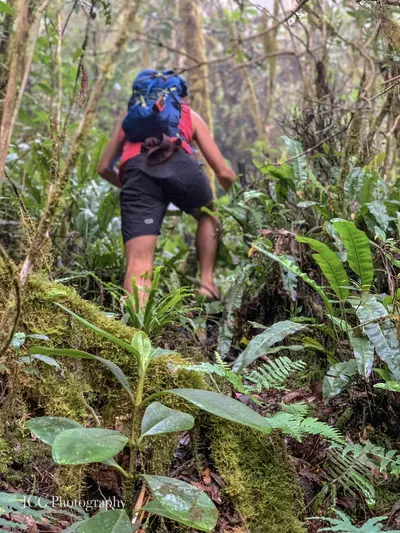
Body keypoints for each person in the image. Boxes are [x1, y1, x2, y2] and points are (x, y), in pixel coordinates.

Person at [98, 70, 236, 306]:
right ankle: (207, 284)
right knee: (208, 214)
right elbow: (223, 173)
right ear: (179, 95)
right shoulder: (187, 114)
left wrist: (133, 188)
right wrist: (238, 198)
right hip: (180, 165)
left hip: (136, 172)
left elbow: (103, 168)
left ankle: (138, 323)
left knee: (139, 260)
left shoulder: (129, 119)